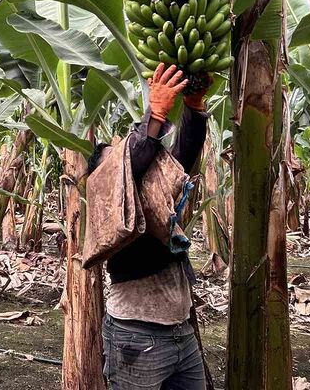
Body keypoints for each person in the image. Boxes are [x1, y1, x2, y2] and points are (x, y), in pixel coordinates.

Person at [89, 64, 209, 390]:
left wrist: (195, 108)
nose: (126, 156)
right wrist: (154, 114)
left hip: (181, 333)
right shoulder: (111, 199)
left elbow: (181, 157)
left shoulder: (156, 198)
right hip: (136, 335)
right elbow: (132, 162)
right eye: (117, 154)